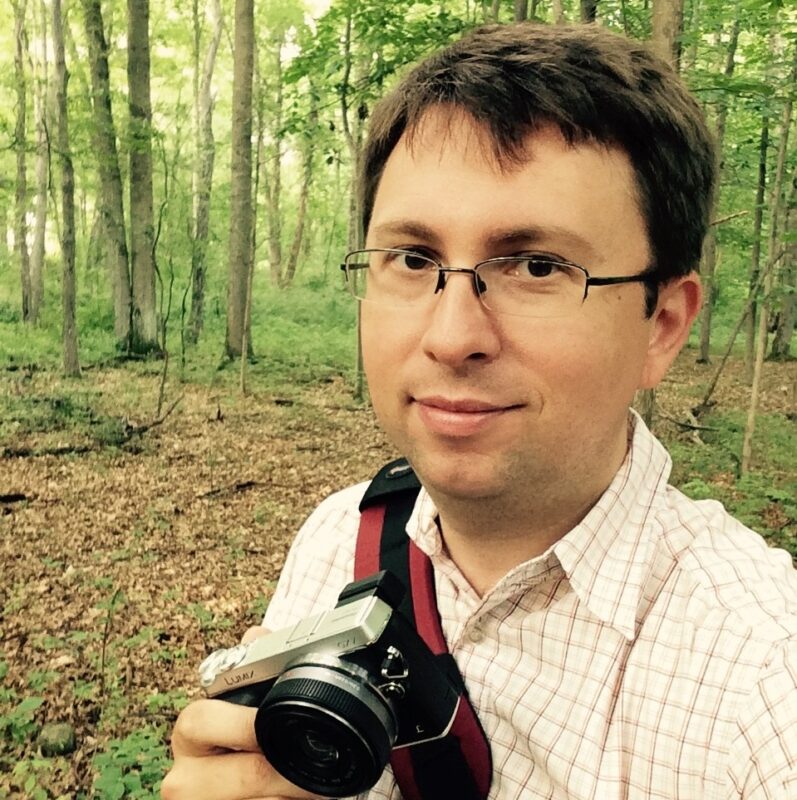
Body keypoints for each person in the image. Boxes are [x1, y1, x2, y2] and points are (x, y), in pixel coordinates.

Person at [161, 22, 797, 800]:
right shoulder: (339, 539)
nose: (452, 334)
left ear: (660, 326)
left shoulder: (764, 681)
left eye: (536, 265)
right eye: (413, 259)